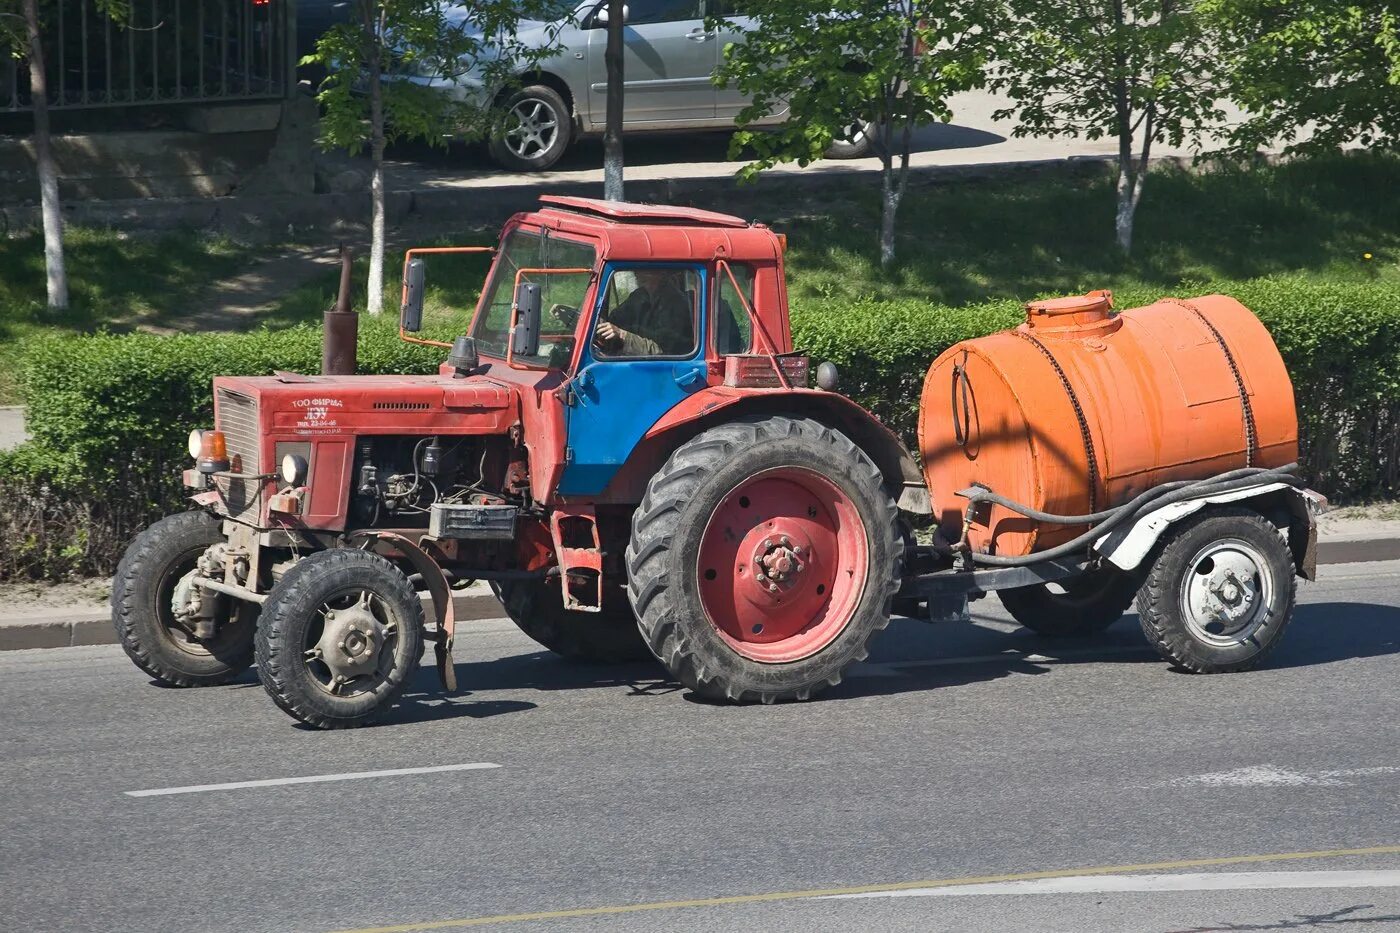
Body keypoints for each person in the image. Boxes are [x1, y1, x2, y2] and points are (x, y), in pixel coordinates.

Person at [594, 268, 694, 357]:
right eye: (636, 271)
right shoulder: (640, 296)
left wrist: (622, 335)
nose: (638, 274)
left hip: (662, 371)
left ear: (661, 274)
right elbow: (616, 319)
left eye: (646, 270)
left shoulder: (677, 305)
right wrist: (598, 325)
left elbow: (662, 352)